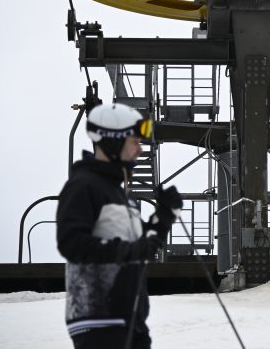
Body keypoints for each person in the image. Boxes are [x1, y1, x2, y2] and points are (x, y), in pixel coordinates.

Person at [56, 103, 184, 349]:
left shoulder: (120, 194)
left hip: (130, 317)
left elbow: (142, 247)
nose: (140, 149)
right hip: (99, 320)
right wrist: (127, 251)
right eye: (134, 141)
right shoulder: (84, 186)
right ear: (113, 142)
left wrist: (165, 216)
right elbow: (71, 243)